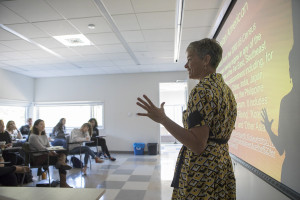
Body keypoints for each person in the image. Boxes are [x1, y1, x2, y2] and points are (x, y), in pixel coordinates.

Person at [136, 38, 237, 199]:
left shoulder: (201, 91)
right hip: (222, 165)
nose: (185, 65)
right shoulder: (226, 90)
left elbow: (197, 145)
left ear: (206, 59)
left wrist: (163, 120)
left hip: (203, 171)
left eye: (189, 59)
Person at [28, 119, 72, 188]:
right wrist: (50, 152)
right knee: (60, 161)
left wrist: (53, 152)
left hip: (46, 154)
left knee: (64, 151)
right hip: (38, 157)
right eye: (41, 124)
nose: (43, 126)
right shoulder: (33, 136)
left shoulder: (44, 135)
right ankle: (63, 183)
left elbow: (49, 146)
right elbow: (41, 148)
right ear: (36, 126)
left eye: (44, 124)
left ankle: (61, 163)